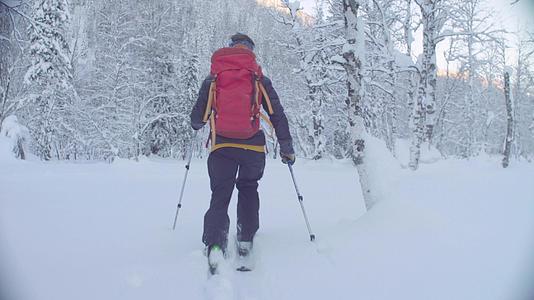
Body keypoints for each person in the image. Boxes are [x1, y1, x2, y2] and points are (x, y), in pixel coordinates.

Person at [190, 33, 295, 272]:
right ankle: (245, 237)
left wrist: (198, 124)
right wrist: (286, 147)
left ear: (229, 50)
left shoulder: (213, 79)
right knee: (248, 187)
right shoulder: (259, 79)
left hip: (221, 147)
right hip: (253, 147)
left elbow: (198, 118)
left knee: (220, 193)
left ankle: (215, 245)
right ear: (250, 52)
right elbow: (276, 114)